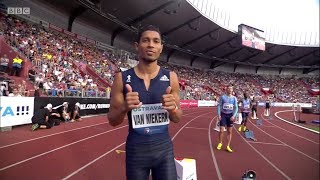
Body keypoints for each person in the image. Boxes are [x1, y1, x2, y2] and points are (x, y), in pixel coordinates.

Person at [107, 25, 182, 180]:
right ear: (137, 45)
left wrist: (172, 109)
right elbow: (113, 120)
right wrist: (124, 108)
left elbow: (177, 118)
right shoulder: (121, 78)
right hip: (136, 152)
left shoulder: (171, 77)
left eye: (156, 41)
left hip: (164, 151)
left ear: (161, 48)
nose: (150, 45)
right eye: (146, 40)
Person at [217, 85, 238, 153]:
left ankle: (228, 146)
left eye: (231, 89)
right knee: (221, 130)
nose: (230, 90)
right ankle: (220, 143)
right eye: (228, 89)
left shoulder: (234, 98)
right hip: (223, 115)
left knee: (229, 131)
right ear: (226, 90)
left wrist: (234, 116)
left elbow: (236, 108)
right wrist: (219, 114)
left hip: (230, 116)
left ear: (232, 90)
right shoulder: (223, 97)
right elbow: (219, 106)